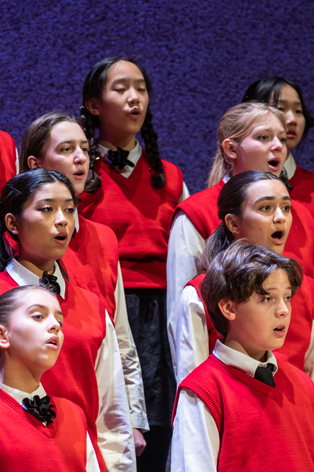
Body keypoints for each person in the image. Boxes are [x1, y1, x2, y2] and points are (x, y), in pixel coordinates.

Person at [169, 170, 314, 472]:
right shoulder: (199, 295)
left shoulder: (308, 291)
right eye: (266, 208)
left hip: (291, 415)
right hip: (236, 422)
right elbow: (196, 384)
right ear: (232, 223)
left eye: (286, 207)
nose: (280, 217)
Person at [79, 57, 188, 471]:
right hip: (108, 311)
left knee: (162, 430)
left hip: (163, 313)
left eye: (140, 88)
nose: (134, 98)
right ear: (93, 104)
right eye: (121, 88)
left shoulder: (172, 177)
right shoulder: (80, 175)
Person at [167, 101, 314, 359]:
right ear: (231, 149)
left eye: (281, 139)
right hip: (227, 381)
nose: (278, 146)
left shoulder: (301, 215)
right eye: (263, 137)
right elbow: (183, 318)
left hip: (295, 382)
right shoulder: (196, 212)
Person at [19, 111, 148, 455]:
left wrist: (131, 416)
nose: (80, 158)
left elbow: (119, 335)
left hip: (93, 398)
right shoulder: (14, 245)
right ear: (35, 163)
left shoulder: (103, 238)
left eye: (84, 148)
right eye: (66, 149)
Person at [0, 169, 135, 471]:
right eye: (47, 209)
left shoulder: (91, 305)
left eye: (69, 210)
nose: (62, 219)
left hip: (79, 456)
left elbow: (111, 410)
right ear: (12, 223)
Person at [242, 76, 314, 386]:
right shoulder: (228, 202)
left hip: (307, 335)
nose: (291, 119)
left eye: (298, 110)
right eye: (280, 109)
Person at [172, 241, 314, 472]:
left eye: (288, 297)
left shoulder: (302, 385)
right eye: (268, 299)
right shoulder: (203, 391)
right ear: (229, 308)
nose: (284, 310)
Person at [0, 285, 100, 471]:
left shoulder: (74, 415)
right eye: (38, 316)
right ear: (2, 335)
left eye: (60, 322)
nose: (55, 326)